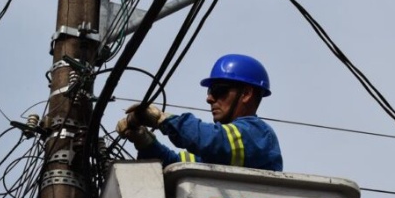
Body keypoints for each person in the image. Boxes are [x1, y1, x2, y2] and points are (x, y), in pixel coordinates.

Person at [117, 54, 283, 171]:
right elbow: (175, 164)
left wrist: (161, 119)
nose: (209, 98)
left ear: (246, 94)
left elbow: (212, 139)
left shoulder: (258, 135)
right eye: (210, 91)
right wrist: (143, 140)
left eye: (219, 90)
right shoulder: (219, 154)